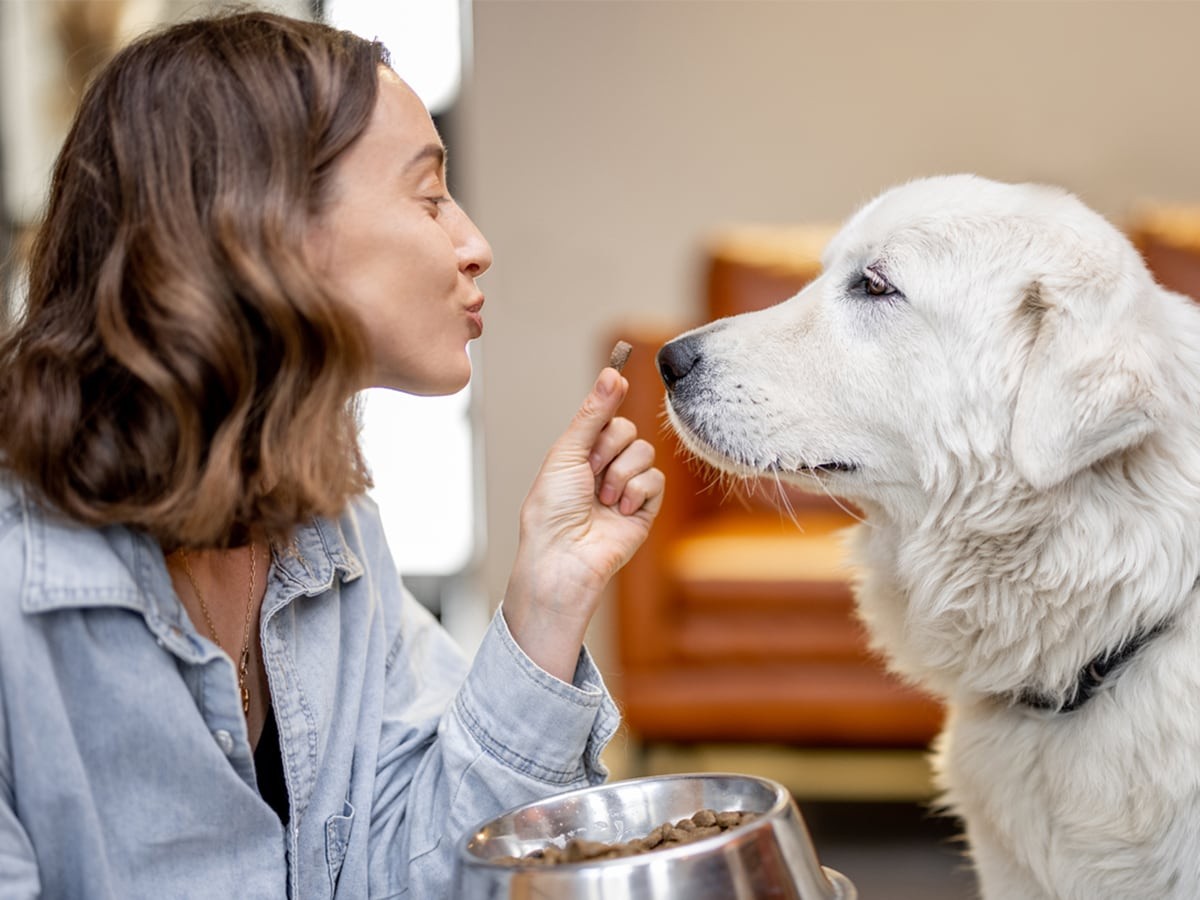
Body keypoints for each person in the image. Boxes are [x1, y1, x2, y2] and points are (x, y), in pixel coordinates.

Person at [0, 10, 663, 899]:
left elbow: (433, 874)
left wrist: (547, 600)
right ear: (260, 225)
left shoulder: (333, 534)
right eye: (429, 197)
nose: (475, 245)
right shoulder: (19, 594)